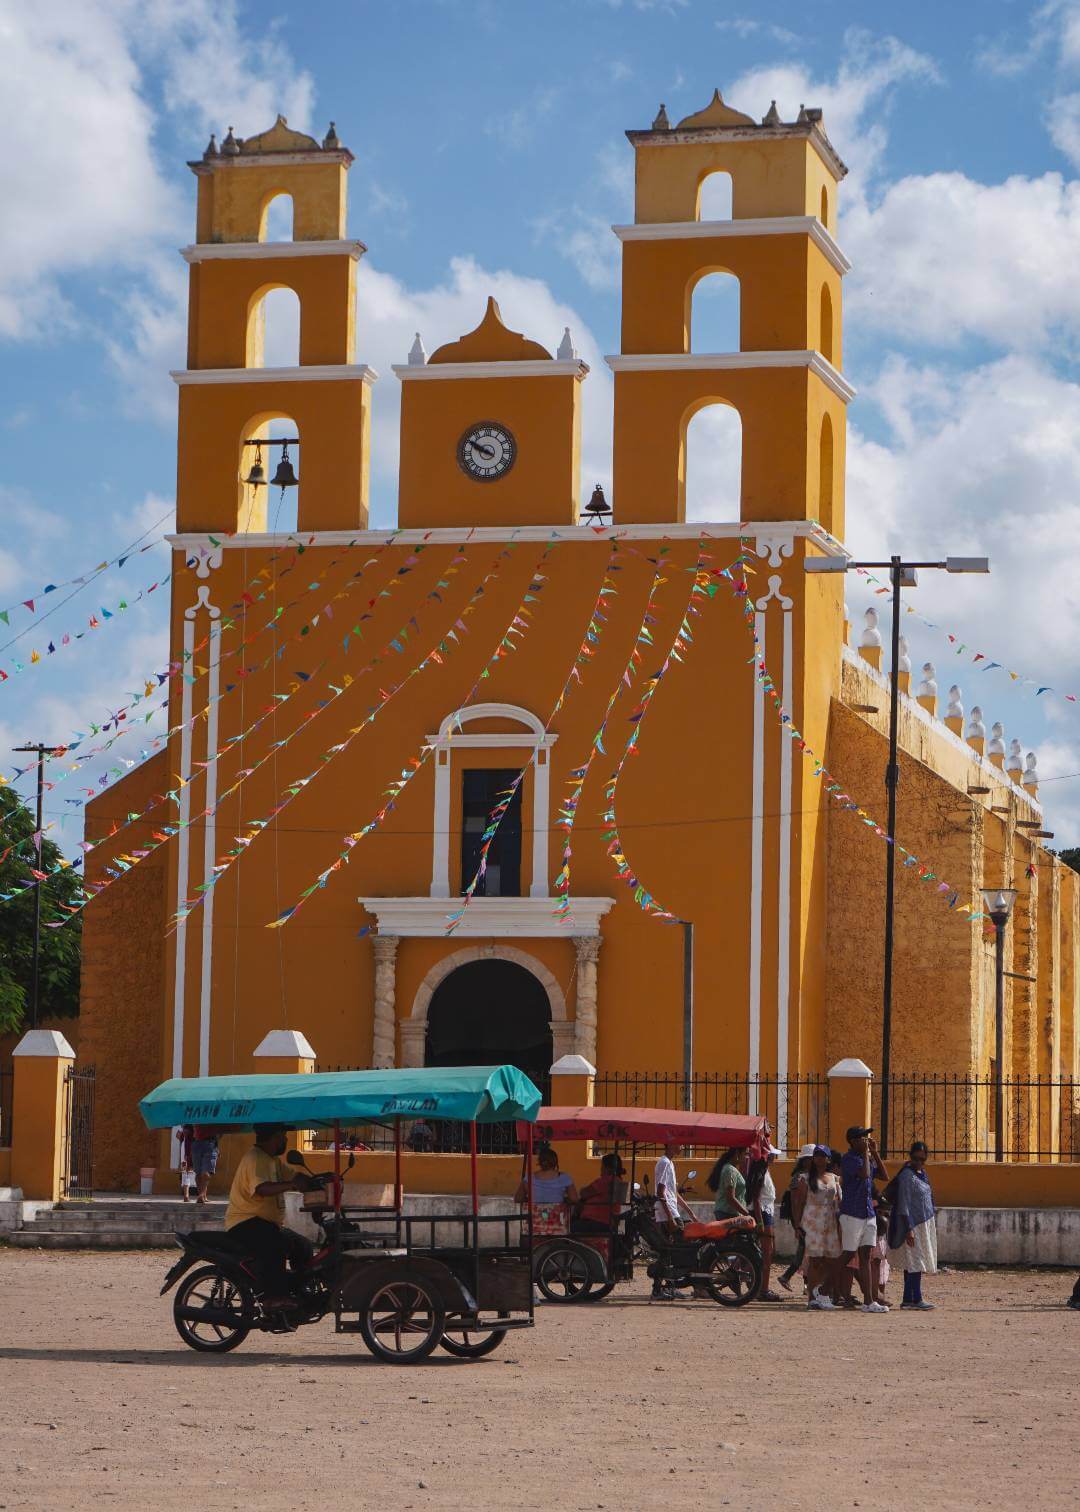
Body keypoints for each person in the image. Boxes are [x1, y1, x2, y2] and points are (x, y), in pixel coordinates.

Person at [225, 1124, 319, 1309]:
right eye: (284, 1135)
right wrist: (290, 1185)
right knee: (276, 1245)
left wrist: (317, 1181)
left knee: (303, 1246)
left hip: (266, 1223)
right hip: (244, 1222)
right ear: (275, 1136)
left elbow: (295, 1177)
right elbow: (262, 1188)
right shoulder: (255, 1158)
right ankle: (273, 1297)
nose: (286, 1140)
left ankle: (298, 1290)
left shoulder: (272, 1160)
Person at [839, 1125, 890, 1313]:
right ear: (853, 1141)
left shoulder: (866, 1158)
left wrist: (874, 1154)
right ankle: (824, 1291)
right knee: (847, 1254)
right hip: (852, 1213)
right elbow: (865, 1174)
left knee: (866, 1257)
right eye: (862, 1138)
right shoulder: (850, 1159)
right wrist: (866, 1155)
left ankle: (869, 1301)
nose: (866, 1141)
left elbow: (884, 1176)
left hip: (867, 1213)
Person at [887, 1140, 938, 1310]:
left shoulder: (922, 1173)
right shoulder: (907, 1176)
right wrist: (908, 1229)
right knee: (916, 1262)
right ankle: (915, 1299)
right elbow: (903, 1203)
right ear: (910, 1157)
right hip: (912, 1225)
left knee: (914, 1262)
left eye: (922, 1160)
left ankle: (909, 1298)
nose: (919, 1162)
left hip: (923, 1223)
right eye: (916, 1159)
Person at [795, 1145, 842, 1310]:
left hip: (830, 1222)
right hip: (812, 1222)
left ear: (828, 1159)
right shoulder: (805, 1179)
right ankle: (812, 1299)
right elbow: (799, 1203)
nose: (819, 1159)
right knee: (815, 1260)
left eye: (823, 1156)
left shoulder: (834, 1178)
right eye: (817, 1156)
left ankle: (821, 1293)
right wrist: (797, 1225)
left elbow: (839, 1201)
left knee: (830, 1260)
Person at [746, 1143, 784, 1301]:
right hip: (762, 1214)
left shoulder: (763, 1172)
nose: (774, 1158)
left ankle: (760, 1286)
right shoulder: (761, 1173)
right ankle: (763, 1289)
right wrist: (760, 1222)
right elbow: (756, 1198)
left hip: (765, 1213)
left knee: (765, 1253)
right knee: (766, 1254)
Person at [778, 1144, 815, 1292]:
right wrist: (797, 1224)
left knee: (807, 1252)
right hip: (802, 1220)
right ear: (806, 1160)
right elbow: (795, 1203)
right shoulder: (798, 1178)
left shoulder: (812, 1176)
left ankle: (805, 1283)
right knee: (805, 1251)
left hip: (810, 1219)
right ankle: (789, 1276)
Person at [573, 1153, 627, 1234]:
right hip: (611, 1223)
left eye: (602, 1166)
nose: (601, 1169)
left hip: (596, 1221)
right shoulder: (620, 1182)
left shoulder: (605, 1181)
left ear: (608, 1168)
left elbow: (584, 1193)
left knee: (569, 1228)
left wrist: (582, 1190)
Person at [514, 1144, 578, 1208]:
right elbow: (574, 1199)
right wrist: (564, 1200)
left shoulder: (529, 1178)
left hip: (535, 1215)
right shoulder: (564, 1178)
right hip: (556, 1216)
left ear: (540, 1162)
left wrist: (529, 1200)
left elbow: (518, 1199)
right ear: (555, 1162)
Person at [706, 1148, 752, 1221]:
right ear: (737, 1153)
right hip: (729, 1214)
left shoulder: (729, 1168)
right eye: (745, 1154)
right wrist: (747, 1214)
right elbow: (730, 1198)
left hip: (727, 1213)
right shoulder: (730, 1170)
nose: (747, 1157)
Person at [190, 1124, 220, 1205]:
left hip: (210, 1142)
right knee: (198, 1172)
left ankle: (202, 1194)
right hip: (197, 1143)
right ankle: (201, 1195)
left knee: (206, 1172)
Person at [176, 1125, 195, 1202]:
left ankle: (186, 1195)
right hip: (190, 1147)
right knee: (188, 1171)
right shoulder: (190, 1125)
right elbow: (178, 1135)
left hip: (187, 1146)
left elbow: (178, 1135)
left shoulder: (185, 1124)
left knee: (187, 1171)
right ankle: (186, 1195)